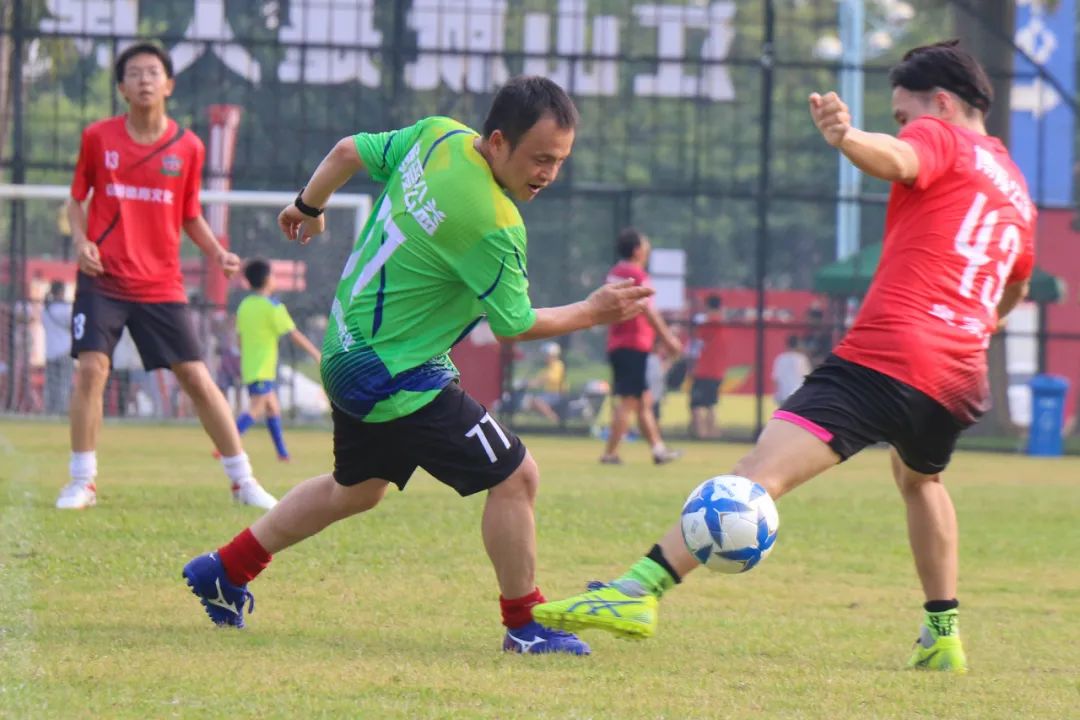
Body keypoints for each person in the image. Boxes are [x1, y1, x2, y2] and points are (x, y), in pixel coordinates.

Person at [533, 41, 1036, 674]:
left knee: (757, 474)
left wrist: (849, 137)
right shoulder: (1016, 189)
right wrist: (978, 324)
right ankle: (944, 636)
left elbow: (900, 157)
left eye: (904, 112)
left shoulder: (942, 136)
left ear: (940, 103)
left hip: (889, 352)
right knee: (921, 481)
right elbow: (1015, 284)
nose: (906, 124)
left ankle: (637, 592)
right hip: (959, 373)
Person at [181, 76, 653, 655]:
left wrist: (308, 206)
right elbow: (513, 325)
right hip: (393, 370)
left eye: (559, 162)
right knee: (515, 476)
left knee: (355, 491)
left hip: (345, 346)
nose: (548, 174)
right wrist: (592, 309)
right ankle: (524, 626)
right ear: (499, 142)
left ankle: (224, 569)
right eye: (539, 159)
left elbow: (347, 151)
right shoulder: (494, 222)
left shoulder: (438, 136)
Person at [54, 42, 276, 510]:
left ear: (169, 84)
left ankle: (243, 480)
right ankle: (82, 481)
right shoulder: (98, 137)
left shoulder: (188, 146)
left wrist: (217, 252)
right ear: (121, 87)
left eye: (153, 72)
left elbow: (189, 213)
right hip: (104, 278)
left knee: (196, 377)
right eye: (134, 73)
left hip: (160, 284)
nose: (144, 80)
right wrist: (80, 241)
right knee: (92, 368)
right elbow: (76, 199)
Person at [599, 228, 682, 465]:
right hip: (633, 345)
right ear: (637, 250)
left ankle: (658, 450)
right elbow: (649, 310)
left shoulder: (615, 272)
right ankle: (610, 453)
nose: (648, 249)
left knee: (642, 400)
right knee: (629, 401)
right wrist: (669, 340)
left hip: (620, 344)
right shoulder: (636, 274)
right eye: (645, 245)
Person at [232, 258, 322, 461]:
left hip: (250, 365)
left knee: (273, 408)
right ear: (266, 279)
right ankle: (227, 444)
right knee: (256, 409)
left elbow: (239, 338)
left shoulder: (245, 305)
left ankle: (282, 453)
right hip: (263, 367)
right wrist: (315, 353)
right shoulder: (273, 307)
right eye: (272, 275)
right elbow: (293, 334)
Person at [688, 294, 725, 439]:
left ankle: (702, 434)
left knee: (696, 404)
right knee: (711, 404)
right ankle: (713, 433)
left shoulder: (705, 323)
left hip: (703, 369)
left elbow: (697, 345)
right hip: (717, 370)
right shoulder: (722, 323)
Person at [42, 280, 74, 415]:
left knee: (51, 385)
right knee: (64, 385)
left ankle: (50, 410)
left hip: (50, 352)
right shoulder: (65, 309)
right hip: (64, 351)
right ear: (61, 292)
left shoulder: (45, 310)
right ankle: (60, 411)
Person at [522, 341, 565, 423]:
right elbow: (538, 380)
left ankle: (554, 419)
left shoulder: (558, 365)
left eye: (547, 355)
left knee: (537, 401)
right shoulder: (547, 368)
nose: (545, 357)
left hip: (557, 393)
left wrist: (537, 382)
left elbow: (551, 378)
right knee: (530, 403)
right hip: (548, 393)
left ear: (553, 355)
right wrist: (527, 383)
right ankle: (542, 420)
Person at [772, 334, 812, 406]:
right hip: (798, 396)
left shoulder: (780, 358)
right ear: (798, 344)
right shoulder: (801, 358)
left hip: (783, 396)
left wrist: (777, 394)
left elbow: (776, 379)